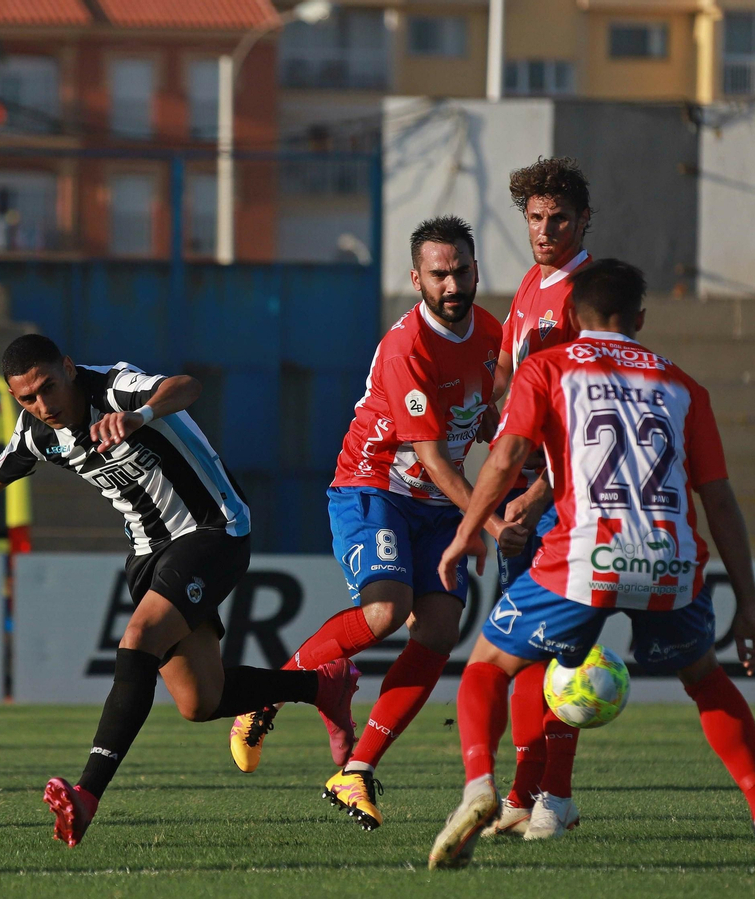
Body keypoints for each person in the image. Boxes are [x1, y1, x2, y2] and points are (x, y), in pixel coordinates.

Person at [0, 334, 359, 848]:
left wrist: (140, 415)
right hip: (148, 554)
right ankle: (321, 686)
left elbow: (185, 386)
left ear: (69, 369)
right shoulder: (37, 434)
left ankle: (87, 794)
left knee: (138, 638)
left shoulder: (115, 388)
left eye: (48, 387)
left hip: (213, 530)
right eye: (26, 398)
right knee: (199, 701)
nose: (42, 404)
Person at [426, 259, 755, 872]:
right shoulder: (684, 386)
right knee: (706, 680)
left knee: (488, 667)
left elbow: (507, 457)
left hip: (584, 557)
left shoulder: (548, 367)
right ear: (640, 319)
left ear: (572, 317)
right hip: (672, 561)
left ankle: (479, 788)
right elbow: (721, 501)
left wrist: (468, 532)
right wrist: (752, 606)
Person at [227, 216, 525, 833]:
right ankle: (268, 694)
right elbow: (433, 456)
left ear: (475, 270)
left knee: (440, 631)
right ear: (416, 279)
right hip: (374, 487)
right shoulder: (406, 347)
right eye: (438, 273)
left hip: (440, 506)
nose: (451, 283)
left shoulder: (490, 334)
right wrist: (490, 524)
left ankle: (355, 770)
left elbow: (480, 419)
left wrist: (529, 469)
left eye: (461, 270)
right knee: (387, 611)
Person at [485, 157, 595, 840]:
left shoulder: (583, 295)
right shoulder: (531, 282)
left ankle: (545, 794)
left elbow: (586, 417)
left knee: (550, 653)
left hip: (558, 496)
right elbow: (503, 368)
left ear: (585, 220)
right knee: (533, 652)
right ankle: (537, 793)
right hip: (521, 491)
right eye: (535, 218)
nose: (546, 229)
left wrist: (537, 490)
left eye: (559, 218)